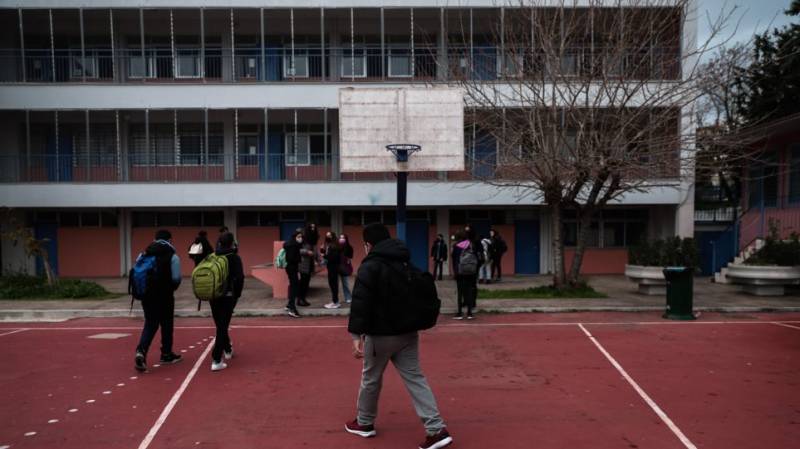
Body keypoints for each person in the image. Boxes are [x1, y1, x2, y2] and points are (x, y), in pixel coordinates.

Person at [345, 223, 453, 449]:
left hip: (380, 335)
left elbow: (361, 302)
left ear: (368, 244)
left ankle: (364, 422)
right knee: (415, 378)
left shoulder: (370, 266)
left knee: (371, 378)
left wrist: (356, 334)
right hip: (408, 333)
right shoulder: (405, 261)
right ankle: (436, 429)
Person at [134, 229, 183, 372]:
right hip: (165, 295)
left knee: (150, 323)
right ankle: (166, 354)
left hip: (147, 295)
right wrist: (171, 287)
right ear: (169, 240)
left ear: (154, 239)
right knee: (167, 324)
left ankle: (141, 350)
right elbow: (176, 278)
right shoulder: (173, 256)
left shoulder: (144, 254)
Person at [209, 232, 244, 372]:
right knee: (223, 326)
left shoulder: (213, 256)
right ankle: (216, 359)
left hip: (213, 295)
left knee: (220, 324)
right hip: (228, 295)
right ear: (232, 243)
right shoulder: (234, 257)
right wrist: (237, 294)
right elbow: (240, 278)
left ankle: (228, 349)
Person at [454, 230, 479, 320]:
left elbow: (455, 260)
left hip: (460, 272)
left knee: (460, 292)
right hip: (471, 272)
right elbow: (476, 258)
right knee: (469, 292)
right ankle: (469, 313)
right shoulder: (471, 245)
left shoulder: (457, 246)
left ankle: (459, 313)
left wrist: (455, 272)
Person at [282, 231, 303, 318]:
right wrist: (298, 259)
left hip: (290, 268)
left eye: (301, 237)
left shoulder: (290, 244)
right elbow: (291, 258)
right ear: (295, 237)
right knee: (294, 286)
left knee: (293, 285)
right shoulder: (294, 245)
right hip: (292, 268)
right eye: (299, 237)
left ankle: (289, 305)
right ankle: (292, 309)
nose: (300, 238)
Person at [322, 231, 342, 309]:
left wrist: (324, 256)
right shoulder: (331, 245)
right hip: (332, 267)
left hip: (333, 267)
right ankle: (335, 301)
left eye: (329, 235)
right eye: (326, 235)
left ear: (332, 236)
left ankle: (335, 302)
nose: (327, 237)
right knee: (333, 284)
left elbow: (333, 257)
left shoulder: (334, 246)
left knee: (333, 284)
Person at [297, 234, 315, 307]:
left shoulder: (311, 244)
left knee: (306, 284)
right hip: (303, 266)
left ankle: (303, 299)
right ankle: (300, 300)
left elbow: (314, 252)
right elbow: (297, 250)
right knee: (302, 284)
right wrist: (307, 251)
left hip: (309, 265)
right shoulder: (300, 243)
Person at [339, 234, 355, 304]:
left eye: (343, 238)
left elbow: (350, 257)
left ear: (346, 239)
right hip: (336, 266)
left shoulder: (349, 247)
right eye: (340, 238)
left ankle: (348, 298)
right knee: (335, 285)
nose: (341, 239)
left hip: (344, 267)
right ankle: (335, 299)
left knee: (345, 283)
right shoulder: (337, 247)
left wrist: (348, 260)